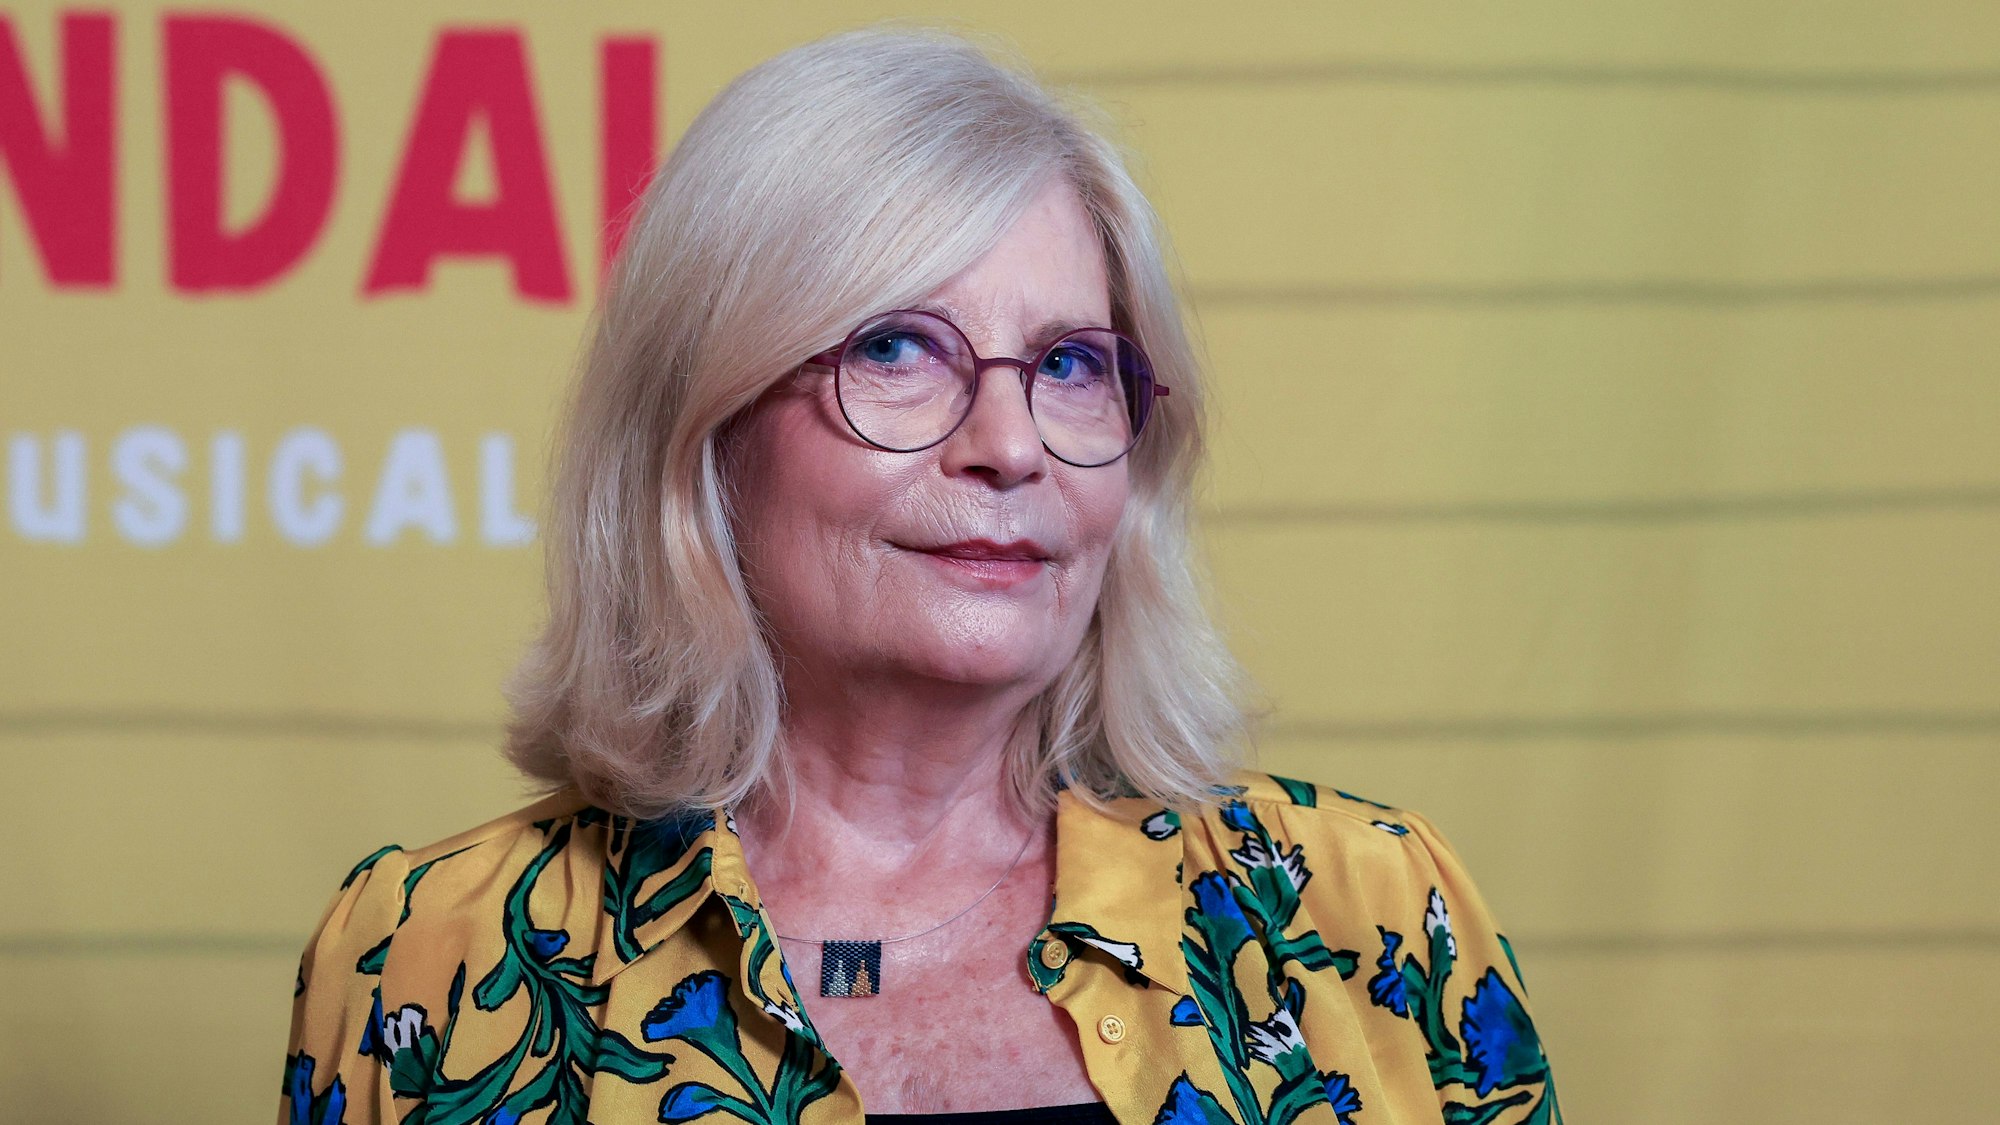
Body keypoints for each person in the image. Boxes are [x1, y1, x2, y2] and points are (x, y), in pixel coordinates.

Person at [279, 27, 1559, 1125]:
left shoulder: (1367, 917)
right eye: (895, 346)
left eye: (1067, 364)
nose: (1008, 447)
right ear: (704, 433)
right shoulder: (426, 959)